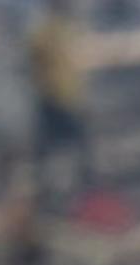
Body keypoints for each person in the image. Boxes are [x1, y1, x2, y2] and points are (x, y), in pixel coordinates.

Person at [27, 1, 93, 196]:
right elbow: (36, 61)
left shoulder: (67, 30)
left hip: (67, 99)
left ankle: (79, 191)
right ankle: (49, 192)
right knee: (54, 149)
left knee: (70, 148)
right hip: (54, 99)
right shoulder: (45, 32)